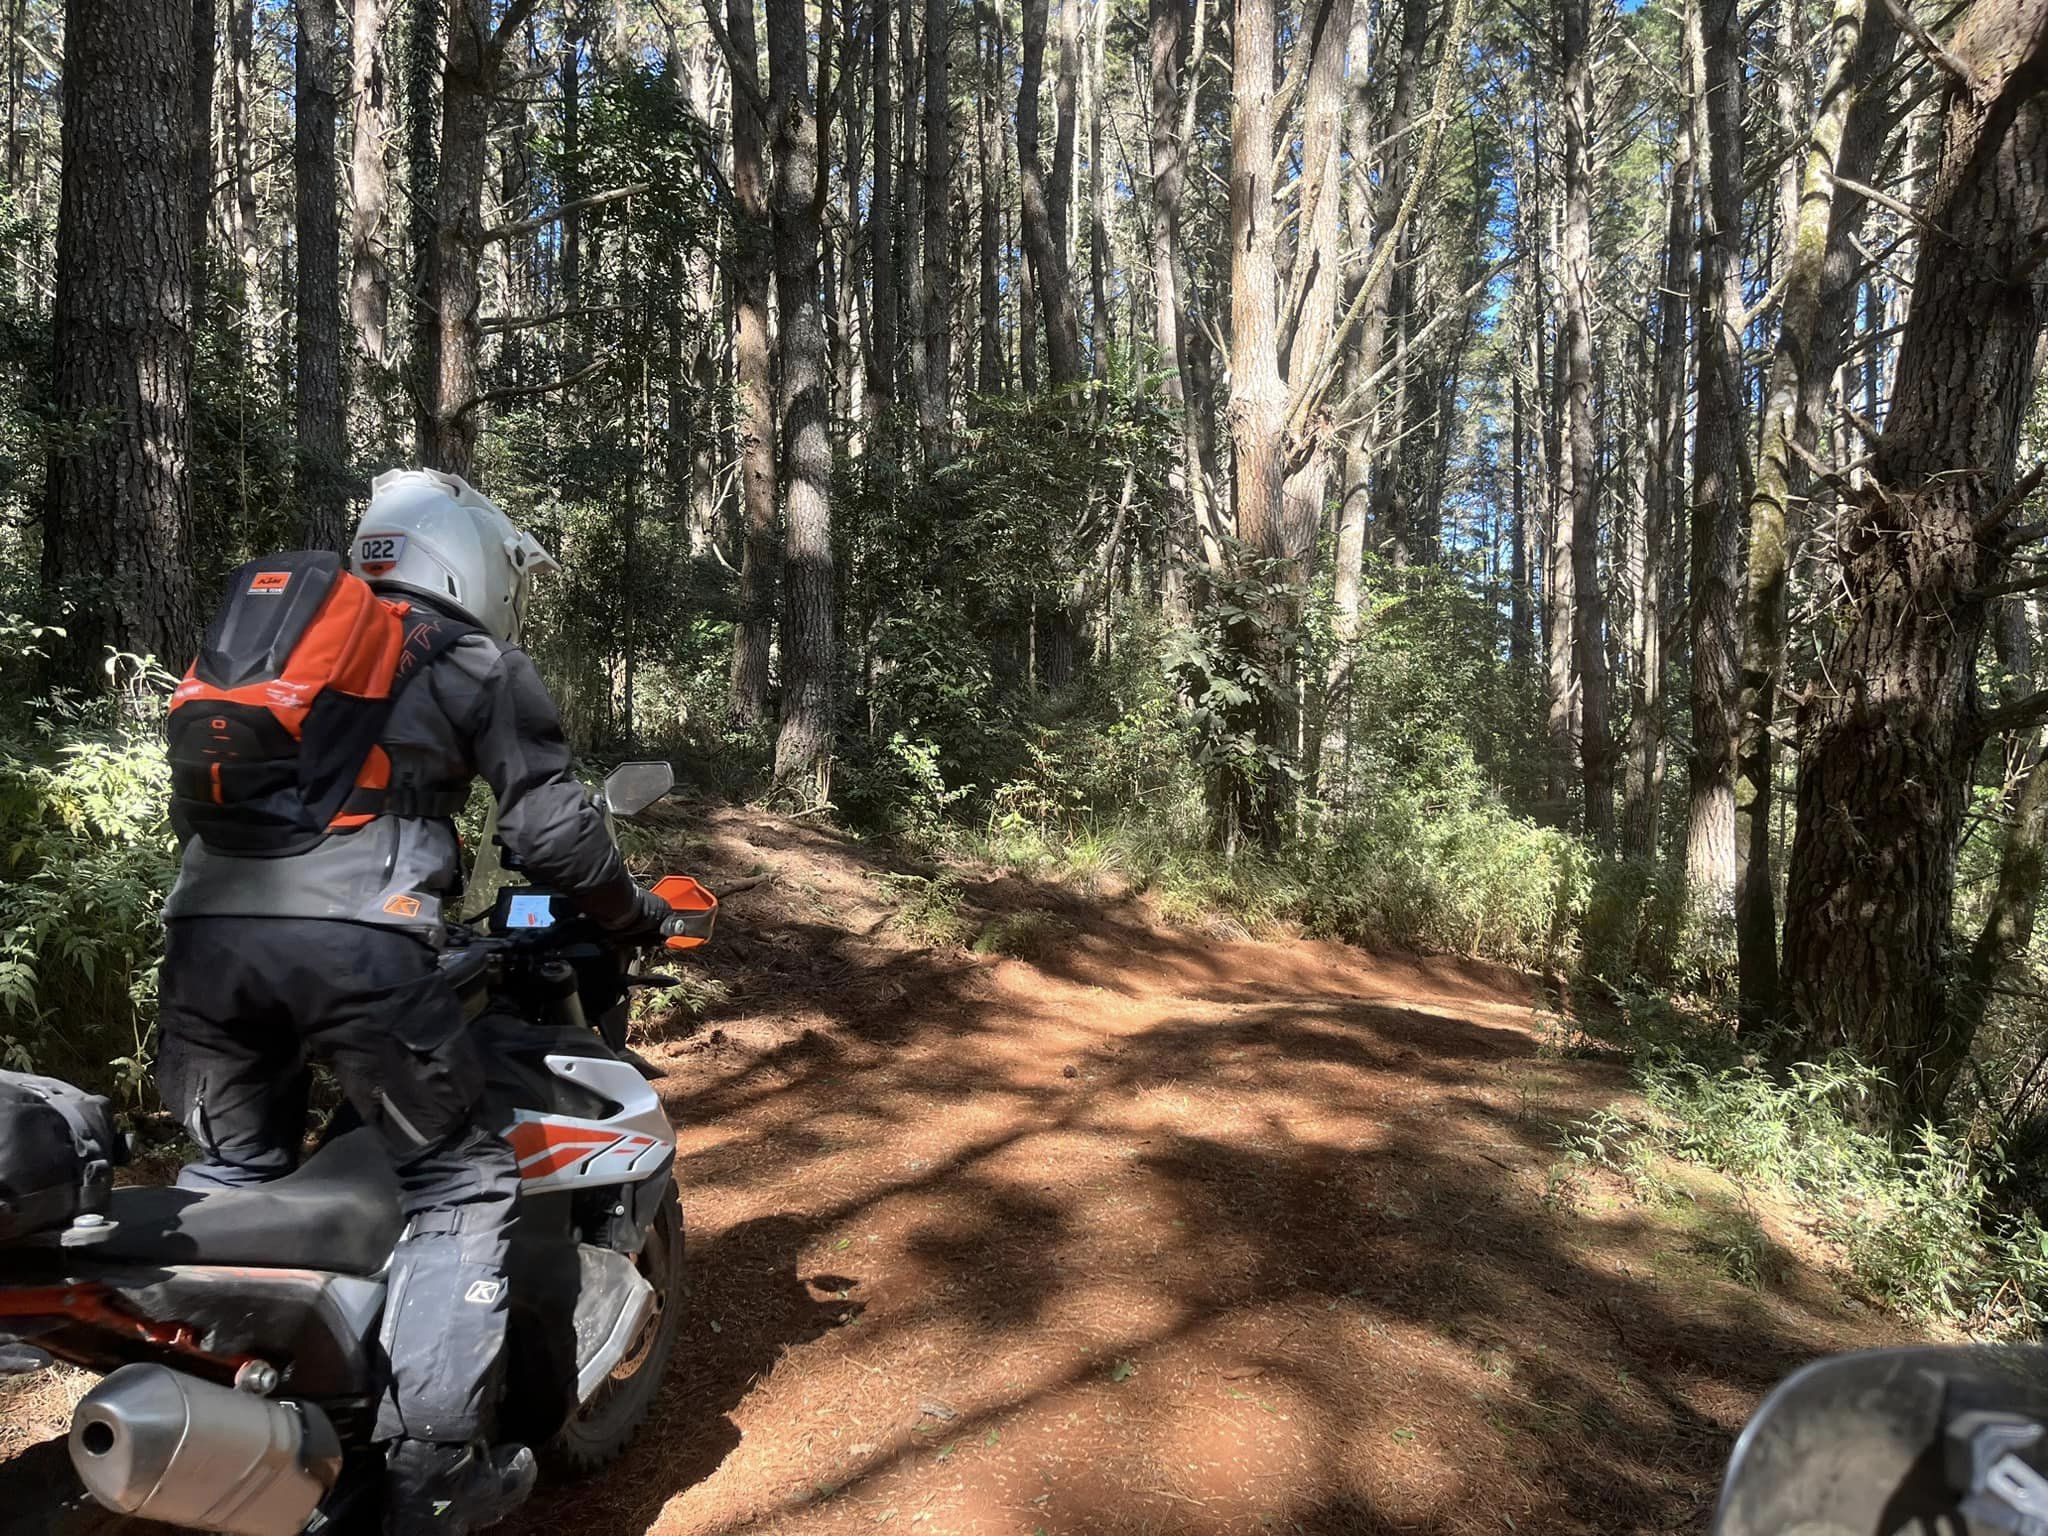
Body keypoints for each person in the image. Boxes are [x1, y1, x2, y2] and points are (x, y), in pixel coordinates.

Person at [155, 468, 671, 1536]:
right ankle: (433, 1467)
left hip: (200, 941)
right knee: (461, 1180)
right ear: (470, 562)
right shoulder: (471, 658)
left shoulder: (285, 660)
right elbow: (549, 833)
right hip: (356, 953)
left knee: (238, 1182)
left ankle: (221, 1419)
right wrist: (631, 915)